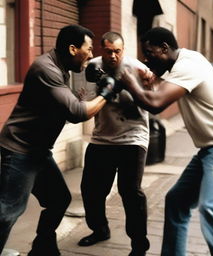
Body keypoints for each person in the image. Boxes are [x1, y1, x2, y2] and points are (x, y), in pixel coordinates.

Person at [121, 27, 213, 256]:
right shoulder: (184, 62)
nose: (146, 58)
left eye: (149, 52)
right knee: (177, 202)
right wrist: (147, 82)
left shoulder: (187, 65)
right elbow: (156, 91)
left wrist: (129, 80)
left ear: (164, 48)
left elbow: (155, 103)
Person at [0, 24, 116, 256]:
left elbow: (68, 112)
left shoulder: (62, 69)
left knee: (58, 199)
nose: (92, 55)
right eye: (89, 48)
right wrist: (107, 92)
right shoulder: (46, 69)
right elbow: (78, 113)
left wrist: (82, 100)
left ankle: (43, 249)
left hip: (38, 152)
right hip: (20, 150)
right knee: (6, 214)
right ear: (73, 49)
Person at [77, 32, 152, 256]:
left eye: (117, 51)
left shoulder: (136, 68)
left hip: (133, 137)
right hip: (102, 138)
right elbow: (83, 100)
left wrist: (137, 87)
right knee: (91, 190)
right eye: (108, 51)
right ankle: (100, 230)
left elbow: (152, 99)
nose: (112, 56)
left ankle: (139, 245)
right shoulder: (91, 67)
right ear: (101, 50)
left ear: (123, 49)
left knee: (130, 192)